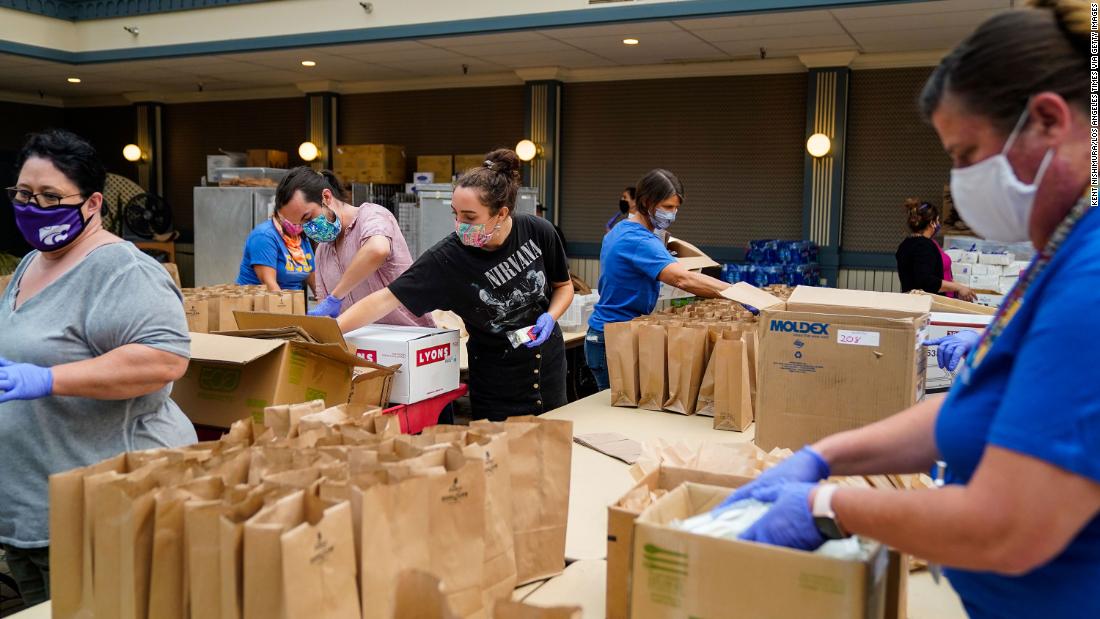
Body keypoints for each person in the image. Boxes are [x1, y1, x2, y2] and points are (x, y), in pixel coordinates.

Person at [722, 3, 1100, 618]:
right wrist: (827, 456)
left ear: (1050, 121)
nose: (958, 181)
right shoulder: (1058, 251)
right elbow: (975, 406)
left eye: (967, 152)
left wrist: (828, 506)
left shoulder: (1090, 275)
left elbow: (1007, 526)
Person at [0, 130, 195, 605]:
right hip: (29, 511)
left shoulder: (121, 269)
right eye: (24, 194)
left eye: (50, 196)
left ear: (91, 204)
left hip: (96, 512)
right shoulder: (32, 262)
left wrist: (48, 379)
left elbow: (165, 358)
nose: (33, 206)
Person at [337, 149, 573, 420]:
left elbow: (563, 286)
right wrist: (328, 330)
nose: (460, 225)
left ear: (500, 213)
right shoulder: (447, 259)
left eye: (470, 217)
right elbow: (385, 299)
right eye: (455, 214)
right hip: (497, 381)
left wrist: (550, 317)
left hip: (549, 369)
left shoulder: (536, 230)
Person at [585, 169, 732, 390]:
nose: (672, 214)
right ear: (646, 202)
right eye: (667, 207)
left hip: (612, 333)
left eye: (676, 208)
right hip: (613, 338)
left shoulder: (621, 230)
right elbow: (682, 279)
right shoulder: (638, 240)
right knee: (619, 419)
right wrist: (736, 292)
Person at [268, 167, 433, 326]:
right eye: (302, 224)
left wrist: (336, 297)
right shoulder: (322, 252)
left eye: (308, 217)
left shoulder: (372, 216)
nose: (308, 227)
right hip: (362, 345)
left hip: (409, 338)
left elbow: (377, 250)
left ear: (326, 197)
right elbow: (326, 313)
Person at [235, 177, 317, 292]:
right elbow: (270, 285)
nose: (297, 221)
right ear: (280, 210)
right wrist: (283, 308)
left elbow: (314, 280)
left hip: (293, 303)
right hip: (263, 304)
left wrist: (325, 304)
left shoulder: (301, 238)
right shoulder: (264, 236)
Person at [895, 197, 977, 301]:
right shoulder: (924, 246)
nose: (938, 224)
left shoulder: (906, 244)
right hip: (928, 305)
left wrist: (958, 289)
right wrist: (958, 287)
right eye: (937, 220)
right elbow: (926, 281)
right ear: (931, 223)